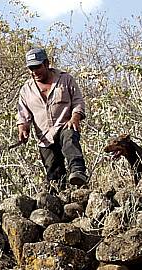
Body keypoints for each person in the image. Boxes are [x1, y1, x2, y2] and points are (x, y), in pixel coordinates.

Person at [16, 47, 88, 190]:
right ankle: (60, 197)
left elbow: (78, 101)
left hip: (64, 125)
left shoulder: (65, 79)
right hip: (45, 136)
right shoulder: (26, 89)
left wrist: (75, 117)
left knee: (69, 139)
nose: (34, 72)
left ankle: (78, 172)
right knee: (54, 174)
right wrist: (23, 128)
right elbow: (23, 113)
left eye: (37, 67)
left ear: (47, 64)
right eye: (31, 68)